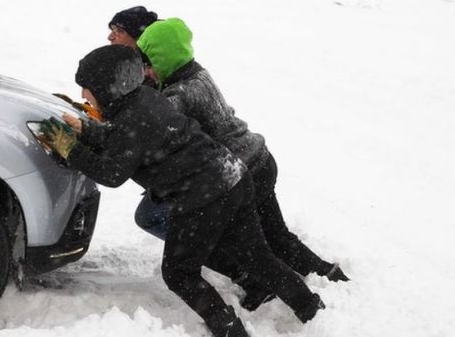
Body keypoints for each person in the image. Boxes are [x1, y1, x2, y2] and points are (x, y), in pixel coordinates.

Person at [40, 45, 326, 337]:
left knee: (179, 273)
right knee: (257, 256)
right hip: (232, 176)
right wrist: (87, 130)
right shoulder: (143, 100)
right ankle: (313, 309)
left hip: (204, 196)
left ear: (109, 89)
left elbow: (112, 172)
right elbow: (121, 138)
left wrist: (70, 148)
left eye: (88, 86)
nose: (83, 92)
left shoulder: (133, 117)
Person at [135, 18, 348, 308]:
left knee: (251, 247)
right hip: (258, 158)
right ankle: (328, 274)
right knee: (276, 237)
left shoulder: (180, 94)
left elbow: (154, 127)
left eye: (150, 62)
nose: (147, 70)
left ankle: (273, 286)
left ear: (163, 58)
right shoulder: (196, 73)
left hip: (241, 171)